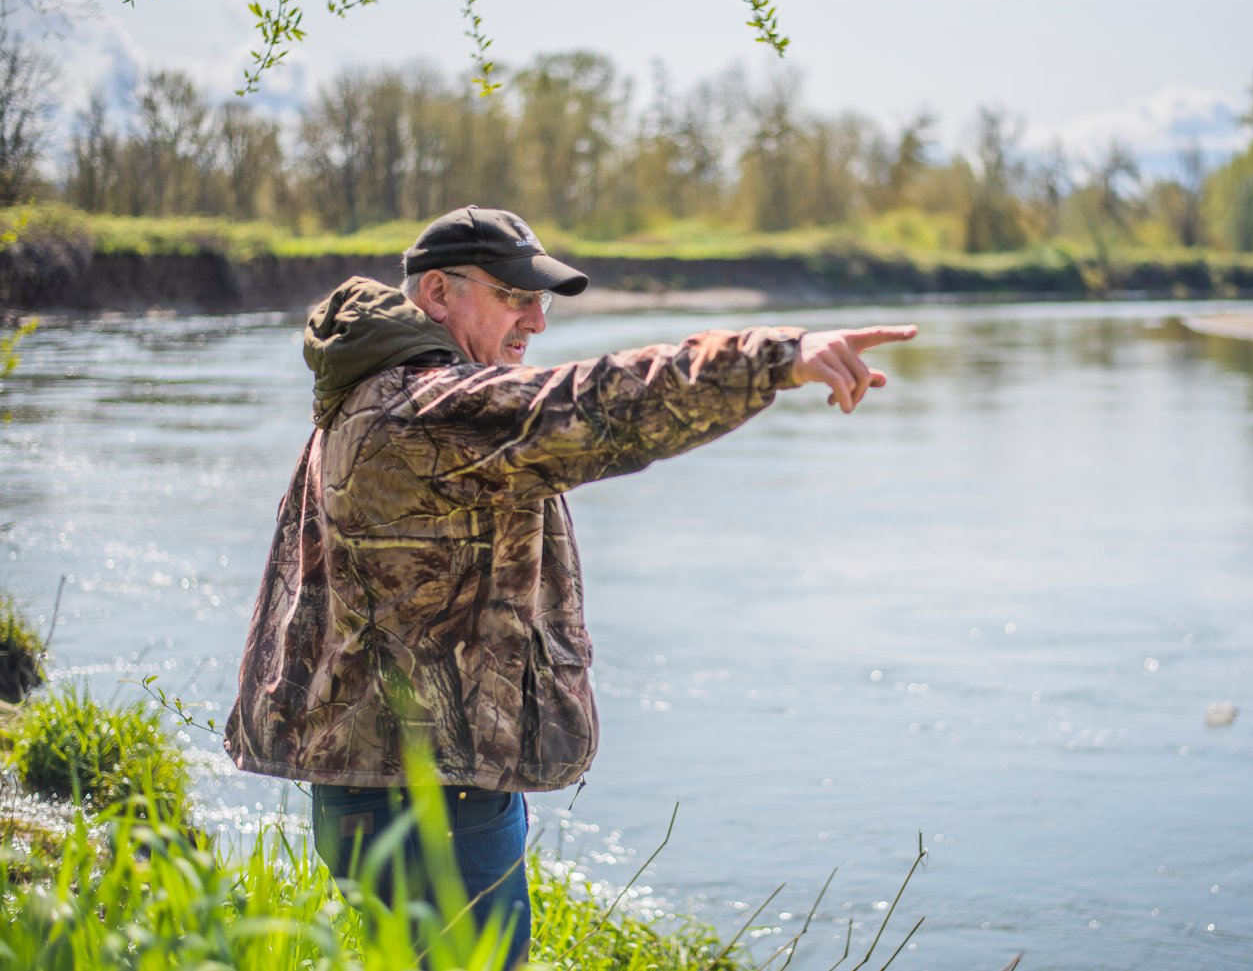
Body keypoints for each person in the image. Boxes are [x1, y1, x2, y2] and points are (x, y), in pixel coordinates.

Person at [223, 205, 916, 967]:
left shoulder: (389, 393)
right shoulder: (420, 409)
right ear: (436, 294)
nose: (536, 321)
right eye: (513, 295)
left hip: (417, 775)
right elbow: (588, 405)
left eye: (541, 300)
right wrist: (774, 357)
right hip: (421, 792)